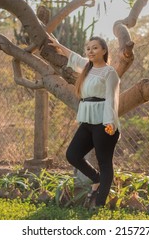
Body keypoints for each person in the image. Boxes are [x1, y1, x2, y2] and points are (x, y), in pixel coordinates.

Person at [48, 35, 120, 208]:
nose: (90, 51)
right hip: (87, 120)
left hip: (104, 122)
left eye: (95, 48)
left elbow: (112, 98)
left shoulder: (110, 72)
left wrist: (110, 122)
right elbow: (73, 57)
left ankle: (99, 204)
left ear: (104, 50)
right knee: (72, 155)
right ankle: (96, 180)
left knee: (105, 162)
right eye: (88, 48)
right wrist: (58, 45)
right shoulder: (87, 68)